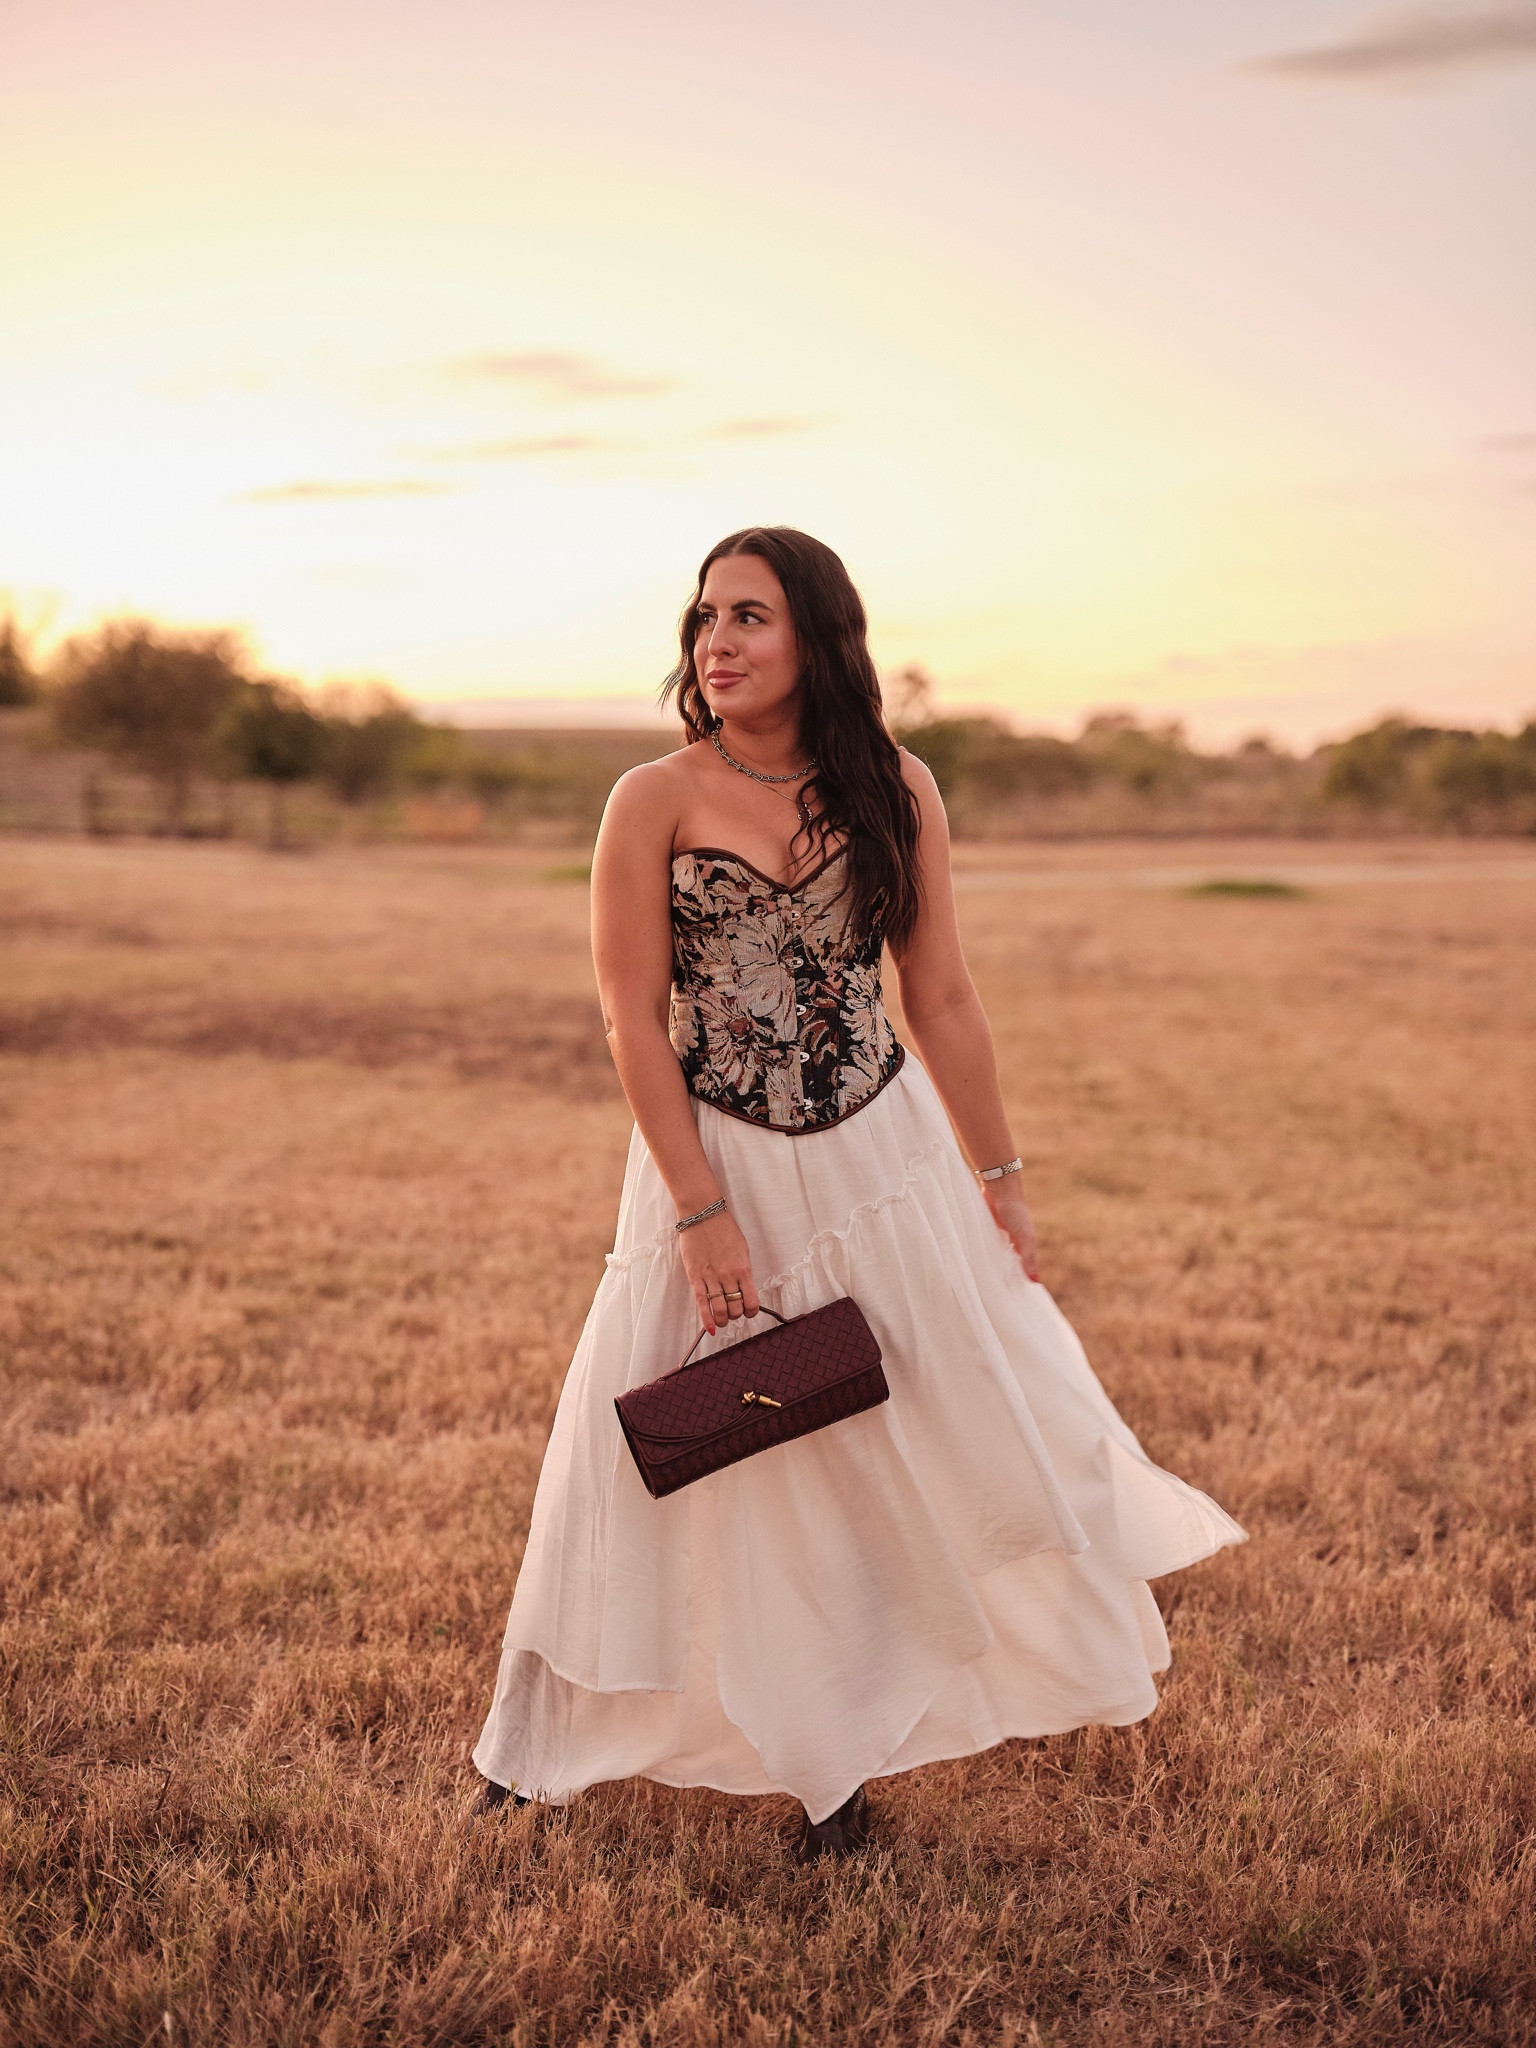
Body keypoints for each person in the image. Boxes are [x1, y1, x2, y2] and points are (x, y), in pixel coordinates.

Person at [469, 526, 1244, 1861]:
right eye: (706, 616)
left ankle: (836, 1768)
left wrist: (999, 1180)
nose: (716, 640)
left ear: (819, 637)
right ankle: (525, 1754)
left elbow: (939, 998)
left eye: (752, 617)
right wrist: (701, 1210)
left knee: (921, 1426)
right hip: (715, 1164)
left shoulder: (893, 785)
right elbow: (631, 1024)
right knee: (654, 1447)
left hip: (883, 1161)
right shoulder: (650, 798)